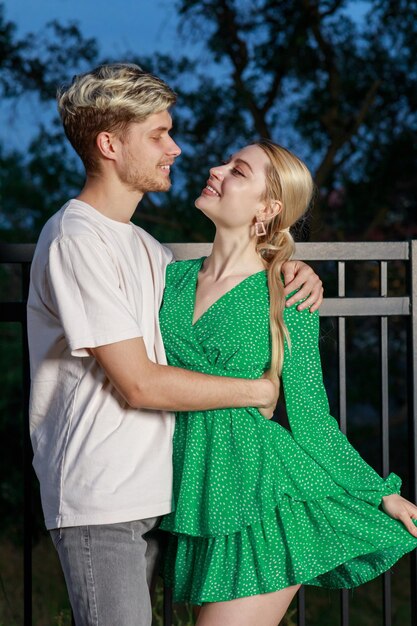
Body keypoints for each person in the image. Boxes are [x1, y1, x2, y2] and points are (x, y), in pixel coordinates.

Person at [26, 64, 323, 626]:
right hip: (101, 499)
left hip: (160, 497)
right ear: (110, 144)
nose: (177, 148)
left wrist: (289, 268)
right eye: (158, 135)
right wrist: (258, 389)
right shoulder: (77, 239)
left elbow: (224, 284)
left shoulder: (149, 251)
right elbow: (138, 382)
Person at [158, 140, 417, 626]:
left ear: (268, 208)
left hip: (264, 494)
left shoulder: (287, 292)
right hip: (197, 488)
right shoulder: (169, 279)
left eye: (236, 171)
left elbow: (311, 415)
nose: (215, 170)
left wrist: (377, 491)